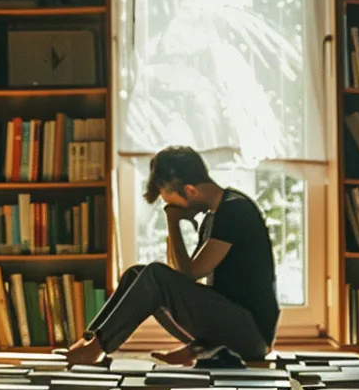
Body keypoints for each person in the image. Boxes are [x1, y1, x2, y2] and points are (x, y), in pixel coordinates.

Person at [62, 147, 278, 365]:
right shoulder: (214, 217)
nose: (171, 209)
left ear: (190, 191)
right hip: (232, 325)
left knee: (154, 275)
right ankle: (89, 341)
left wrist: (173, 223)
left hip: (253, 335)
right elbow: (180, 275)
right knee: (137, 274)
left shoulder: (234, 210)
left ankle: (97, 348)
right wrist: (172, 223)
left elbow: (191, 273)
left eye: (173, 204)